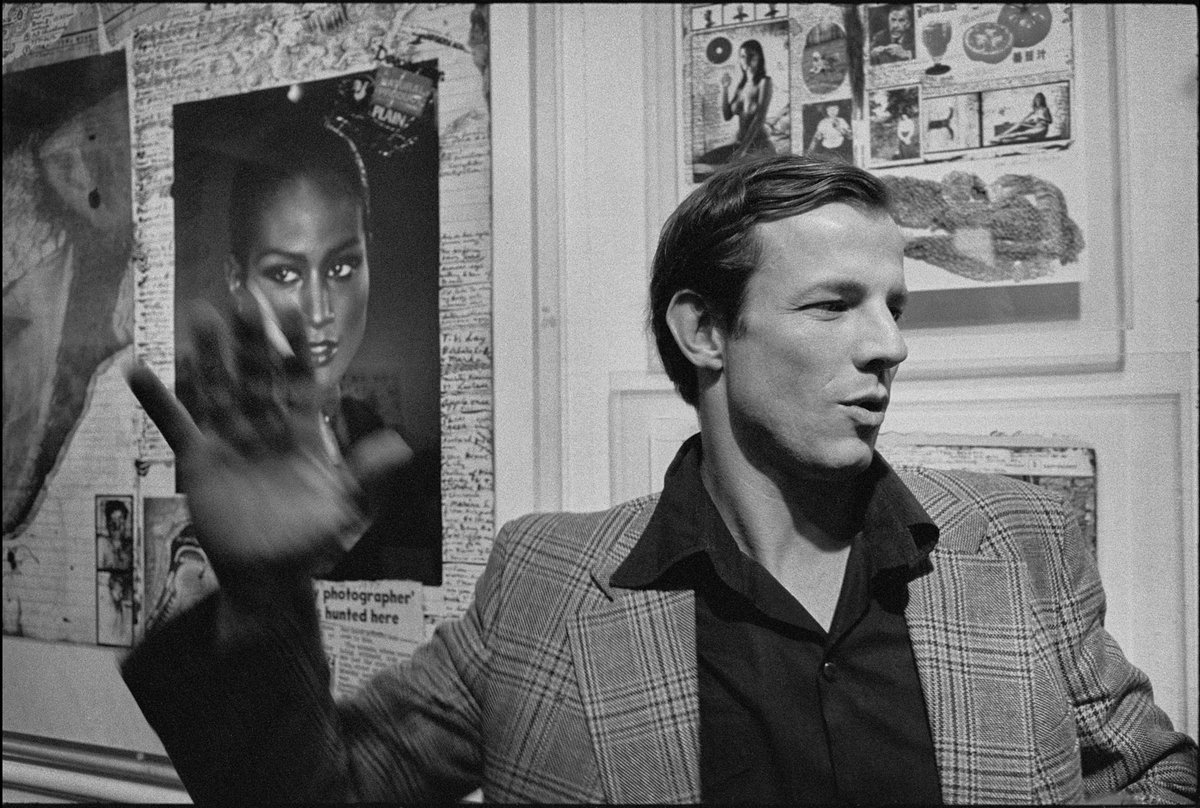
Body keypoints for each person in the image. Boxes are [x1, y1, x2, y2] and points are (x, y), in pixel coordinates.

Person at [120, 155, 1197, 804]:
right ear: (703, 329)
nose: (888, 347)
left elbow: (1157, 773)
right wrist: (263, 600)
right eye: (833, 306)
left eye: (894, 307)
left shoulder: (1013, 543)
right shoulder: (544, 583)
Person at [193, 115, 441, 585]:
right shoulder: (210, 452)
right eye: (285, 274)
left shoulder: (383, 448)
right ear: (236, 281)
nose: (319, 309)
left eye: (343, 267)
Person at [696, 40, 775, 168]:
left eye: (752, 55)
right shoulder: (741, 86)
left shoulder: (765, 82)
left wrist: (742, 151)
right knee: (703, 160)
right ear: (739, 60)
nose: (747, 60)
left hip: (759, 146)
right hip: (740, 145)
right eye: (743, 56)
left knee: (727, 172)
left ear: (759, 57)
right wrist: (725, 88)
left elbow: (759, 118)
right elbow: (727, 115)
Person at [97, 499, 132, 570]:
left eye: (120, 519)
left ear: (125, 522)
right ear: (107, 523)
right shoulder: (102, 544)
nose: (117, 525)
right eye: (113, 520)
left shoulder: (130, 547)